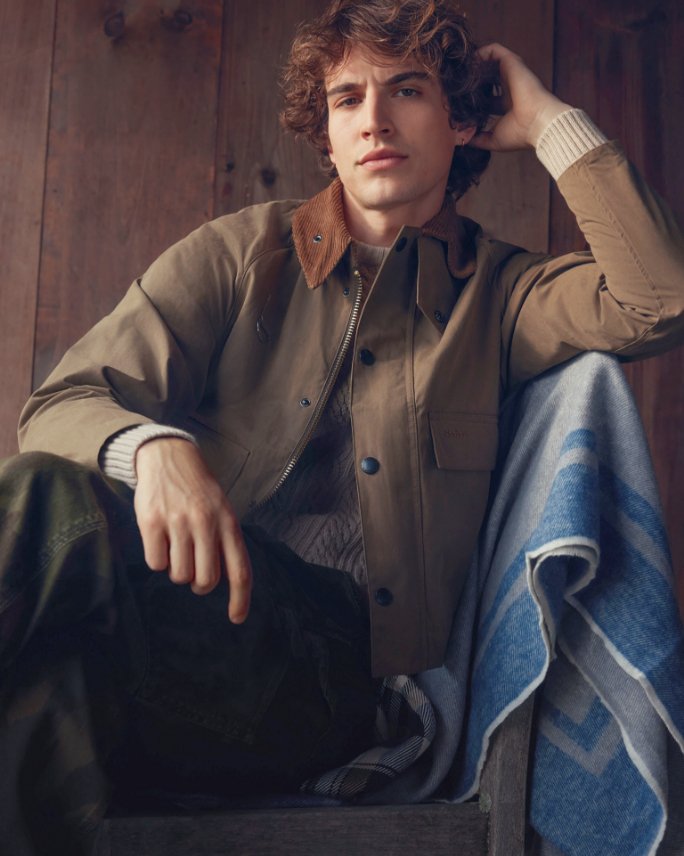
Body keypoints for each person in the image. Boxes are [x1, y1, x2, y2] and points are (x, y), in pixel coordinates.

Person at [2, 0, 683, 853]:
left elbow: (660, 299)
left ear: (462, 120)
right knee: (41, 634)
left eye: (408, 90)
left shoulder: (503, 297)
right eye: (347, 98)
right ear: (323, 134)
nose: (375, 120)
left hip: (334, 689)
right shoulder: (242, 253)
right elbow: (59, 407)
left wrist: (547, 119)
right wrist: (153, 447)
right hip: (181, 637)